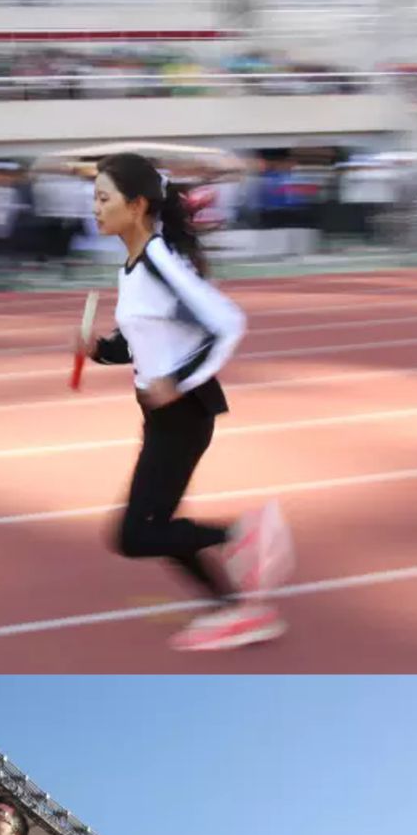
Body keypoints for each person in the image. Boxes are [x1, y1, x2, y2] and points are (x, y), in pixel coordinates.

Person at [80, 151, 293, 653]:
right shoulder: (132, 267)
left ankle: (242, 533)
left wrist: (176, 381)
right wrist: (99, 349)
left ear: (136, 205)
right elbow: (142, 340)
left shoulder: (159, 260)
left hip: (184, 413)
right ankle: (237, 610)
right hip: (164, 416)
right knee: (157, 529)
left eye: (103, 198)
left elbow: (228, 323)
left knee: (134, 535)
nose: (94, 208)